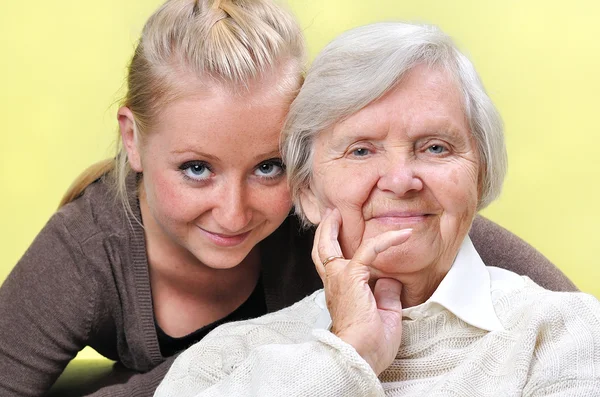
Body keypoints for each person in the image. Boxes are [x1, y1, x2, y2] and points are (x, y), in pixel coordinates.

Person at [0, 1, 577, 395]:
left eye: (269, 167)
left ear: (304, 170)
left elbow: (558, 314)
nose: (234, 212)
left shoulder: (345, 210)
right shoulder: (86, 249)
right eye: (196, 169)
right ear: (133, 139)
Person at [154, 22, 600, 396]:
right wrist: (347, 353)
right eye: (362, 151)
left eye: (435, 147)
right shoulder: (224, 360)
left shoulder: (563, 332)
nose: (401, 180)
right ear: (307, 190)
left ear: (479, 175)